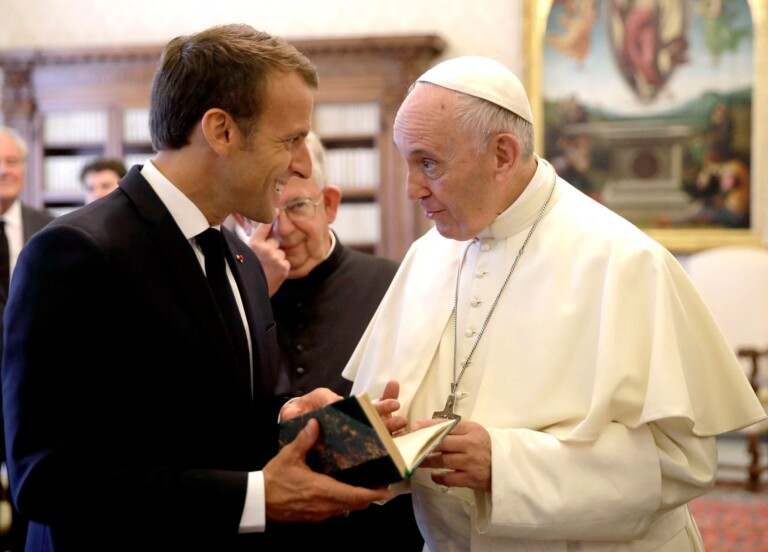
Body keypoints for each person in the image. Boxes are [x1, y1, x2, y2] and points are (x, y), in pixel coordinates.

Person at [341, 56, 767, 551]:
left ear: (502, 155)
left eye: (428, 163)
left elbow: (683, 462)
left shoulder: (625, 262)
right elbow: (390, 427)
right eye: (407, 163)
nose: (412, 189)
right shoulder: (426, 256)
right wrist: (345, 434)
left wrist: (505, 464)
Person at [1, 24, 399, 552]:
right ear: (221, 131)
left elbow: (213, 422)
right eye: (290, 139)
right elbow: (50, 476)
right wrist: (256, 498)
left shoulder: (239, 258)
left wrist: (294, 418)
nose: (301, 163)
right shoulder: (78, 253)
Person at [232, 131, 423, 550]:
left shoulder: (394, 285)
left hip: (371, 527)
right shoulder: (225, 292)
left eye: (298, 206)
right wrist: (249, 291)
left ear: (330, 204)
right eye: (261, 214)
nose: (280, 229)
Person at [0, 126, 54, 552]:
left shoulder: (52, 229)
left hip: (36, 397)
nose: (4, 170)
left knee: (32, 511)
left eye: (12, 162)